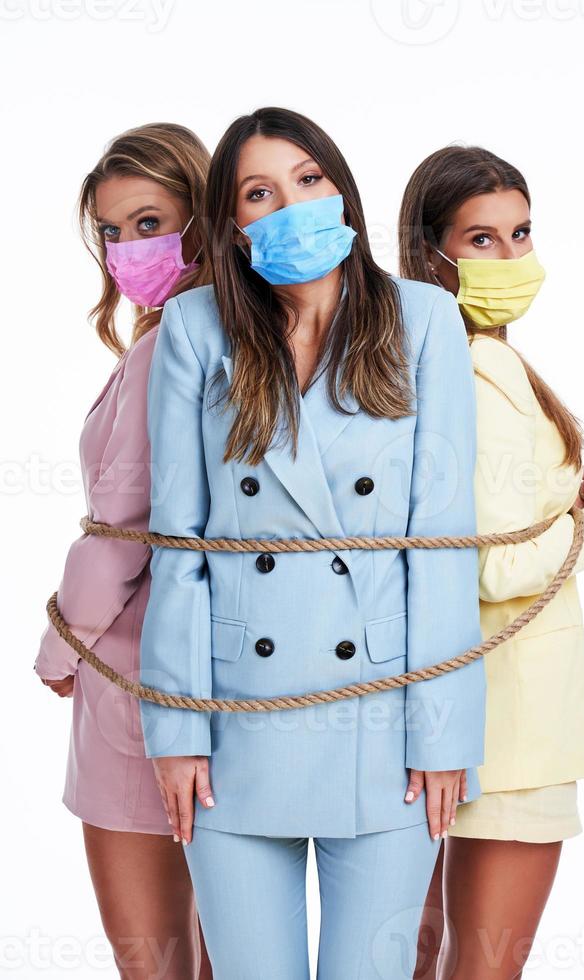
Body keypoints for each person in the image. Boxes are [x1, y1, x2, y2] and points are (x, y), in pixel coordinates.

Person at [138, 106, 487, 980]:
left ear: (342, 192)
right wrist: (174, 727)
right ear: (232, 224)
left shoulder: (424, 321)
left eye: (309, 178)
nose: (292, 203)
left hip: (383, 720)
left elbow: (442, 542)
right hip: (232, 729)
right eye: (261, 191)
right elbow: (179, 544)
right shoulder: (194, 330)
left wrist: (443, 732)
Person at [399, 144, 584, 980]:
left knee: (431, 958)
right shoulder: (478, 368)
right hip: (511, 734)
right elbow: (489, 569)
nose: (512, 258)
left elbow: (482, 528)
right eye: (482, 240)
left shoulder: (454, 361)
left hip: (471, 723)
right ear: (431, 255)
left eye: (521, 233)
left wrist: (567, 503)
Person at [34, 123, 214, 980]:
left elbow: (120, 525)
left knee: (153, 964)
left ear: (203, 218)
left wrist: (59, 644)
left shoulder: (168, 346)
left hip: (132, 683)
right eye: (111, 231)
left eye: (150, 222)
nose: (127, 248)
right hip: (213, 686)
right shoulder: (234, 335)